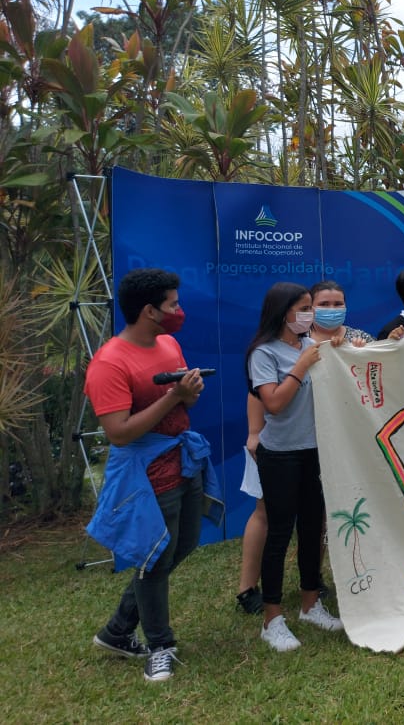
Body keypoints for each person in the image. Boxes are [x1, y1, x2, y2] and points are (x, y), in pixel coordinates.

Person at [86, 268, 218, 683]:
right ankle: (160, 645)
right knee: (154, 557)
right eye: (172, 305)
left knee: (183, 545)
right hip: (145, 473)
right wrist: (173, 397)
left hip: (183, 461)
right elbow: (119, 432)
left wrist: (187, 395)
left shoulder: (169, 343)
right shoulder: (109, 363)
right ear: (149, 311)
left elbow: (180, 406)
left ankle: (117, 630)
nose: (179, 311)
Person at [247, 282, 344, 652]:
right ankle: (272, 618)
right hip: (280, 455)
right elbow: (273, 402)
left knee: (310, 529)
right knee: (279, 532)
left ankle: (310, 604)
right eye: (304, 308)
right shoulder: (263, 353)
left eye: (310, 308)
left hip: (315, 451)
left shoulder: (309, 346)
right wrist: (302, 366)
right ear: (283, 312)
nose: (310, 315)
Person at [234, 394, 267, 615]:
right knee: (265, 512)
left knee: (317, 511)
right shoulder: (261, 357)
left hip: (316, 433)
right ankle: (247, 588)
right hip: (274, 436)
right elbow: (257, 382)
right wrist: (255, 431)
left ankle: (313, 581)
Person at [309, 280, 374, 345]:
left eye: (338, 304)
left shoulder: (362, 338)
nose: (332, 309)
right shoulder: (301, 340)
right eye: (324, 304)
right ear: (310, 307)